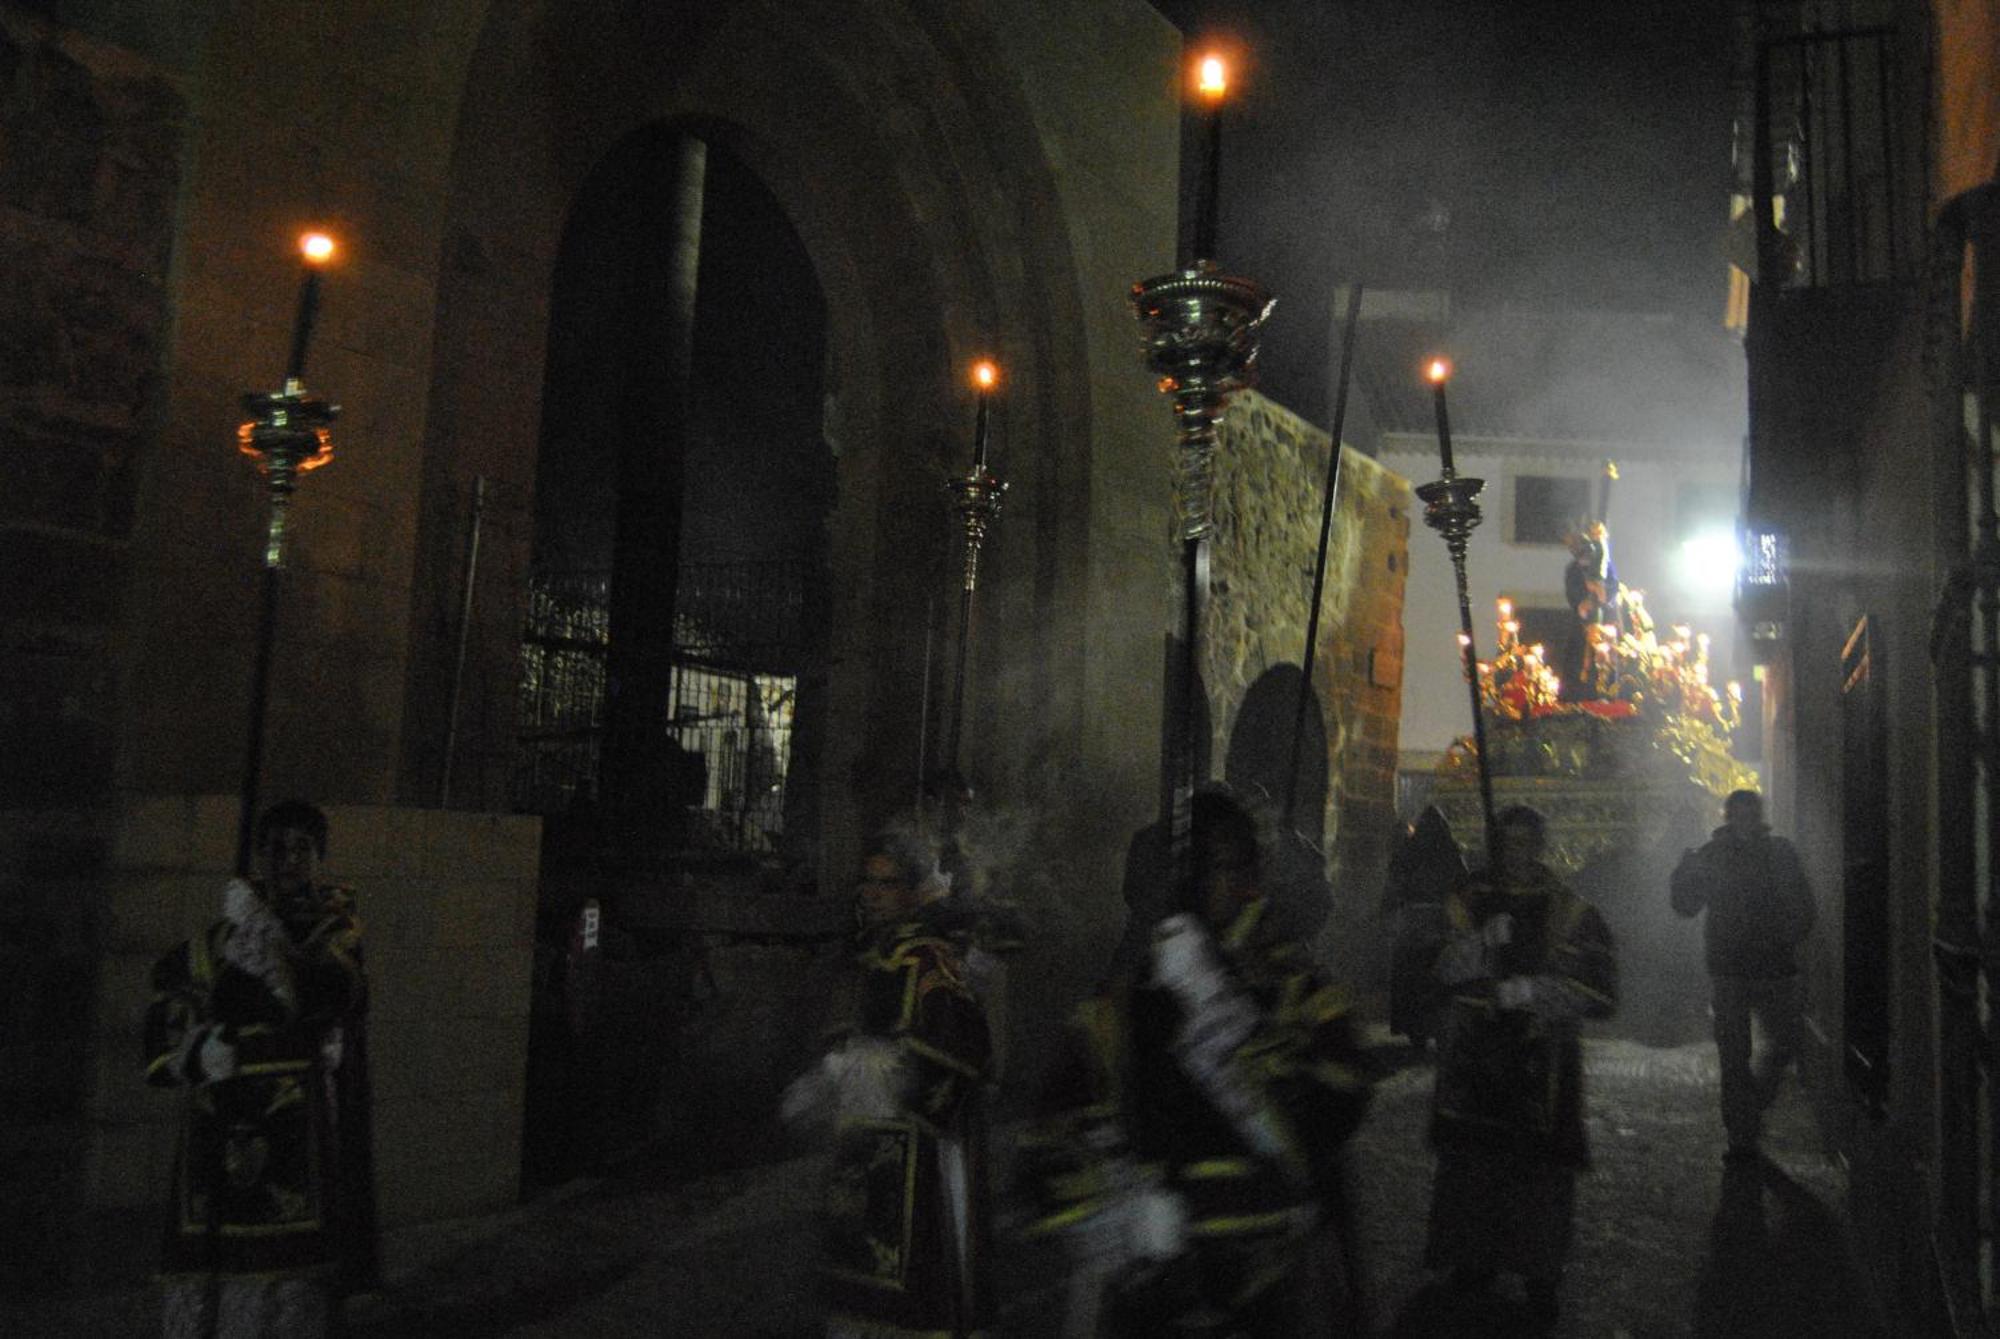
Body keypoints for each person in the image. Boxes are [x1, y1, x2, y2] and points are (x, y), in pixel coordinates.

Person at [1020, 788, 1373, 1337]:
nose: (1231, 885)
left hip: (1269, 1279)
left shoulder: (1294, 987)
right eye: (1207, 869)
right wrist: (1115, 1211)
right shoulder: (1129, 997)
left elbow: (1338, 1104)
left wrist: (1229, 1021)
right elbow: (1055, 1130)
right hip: (1153, 1287)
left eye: (1236, 867)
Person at [144, 800, 376, 1339]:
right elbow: (170, 991)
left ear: (318, 858)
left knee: (285, 1262)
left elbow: (335, 992)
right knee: (213, 1250)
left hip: (293, 1109)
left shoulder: (333, 927)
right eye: (274, 848)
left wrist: (265, 936)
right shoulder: (226, 931)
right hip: (219, 1110)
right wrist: (194, 1053)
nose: (287, 859)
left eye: (301, 849)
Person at [784, 825, 992, 1338]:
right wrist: (830, 1077)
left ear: (912, 892)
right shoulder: (869, 954)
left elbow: (964, 1048)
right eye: (868, 883)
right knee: (855, 1276)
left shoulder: (928, 958)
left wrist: (886, 1070)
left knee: (907, 1280)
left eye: (887, 883)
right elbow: (846, 1035)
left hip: (912, 1153)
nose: (873, 895)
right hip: (862, 1142)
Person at [1422, 804, 1616, 1330]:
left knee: (1539, 1174)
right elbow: (1437, 970)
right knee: (1473, 1165)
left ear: (1541, 844)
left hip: (1540, 1063)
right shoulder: (1468, 902)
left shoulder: (1570, 910)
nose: (1517, 853)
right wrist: (1479, 946)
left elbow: (1600, 987)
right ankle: (1472, 1259)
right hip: (1475, 1060)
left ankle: (1538, 1270)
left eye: (1526, 842)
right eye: (1506, 843)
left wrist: (1533, 990)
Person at [1670, 788, 1815, 1161]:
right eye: (1740, 813)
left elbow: (1802, 904)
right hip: (1732, 968)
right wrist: (1685, 876)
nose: (1746, 820)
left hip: (1769, 967)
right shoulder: (1714, 855)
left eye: (1751, 813)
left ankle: (1748, 1110)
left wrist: (1786, 935)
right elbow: (1686, 905)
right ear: (1730, 817)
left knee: (1782, 1041)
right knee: (1735, 1053)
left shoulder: (1779, 853)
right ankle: (1741, 1130)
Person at [1384, 806, 1467, 1046]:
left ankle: (1417, 1029)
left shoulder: (1408, 853)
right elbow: (1462, 885)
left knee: (1417, 978)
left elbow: (1394, 886)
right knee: (1438, 978)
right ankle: (1435, 1028)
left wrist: (1390, 911)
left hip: (1415, 923)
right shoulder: (1450, 853)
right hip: (1440, 922)